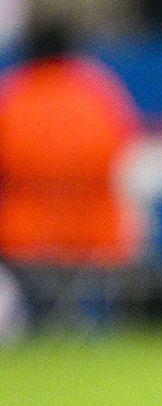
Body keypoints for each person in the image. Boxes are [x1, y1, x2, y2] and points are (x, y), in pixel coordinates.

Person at [0, 19, 142, 334]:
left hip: (25, 234)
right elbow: (123, 158)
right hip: (97, 232)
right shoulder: (99, 92)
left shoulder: (12, 95)